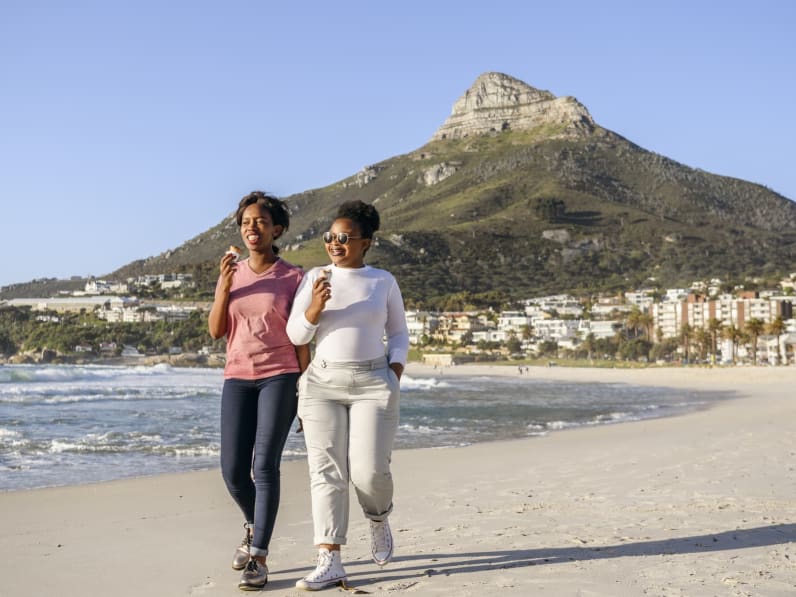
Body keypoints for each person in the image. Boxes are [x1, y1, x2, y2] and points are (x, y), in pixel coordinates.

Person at [286, 200, 409, 591]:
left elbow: (400, 333)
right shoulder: (315, 278)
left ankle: (378, 518)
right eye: (330, 237)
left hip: (374, 381)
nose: (334, 244)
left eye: (344, 238)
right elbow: (296, 336)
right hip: (321, 383)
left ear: (366, 242)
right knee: (326, 474)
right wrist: (316, 306)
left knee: (369, 472)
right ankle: (330, 559)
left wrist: (394, 371)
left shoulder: (383, 281)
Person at [208, 191, 309, 591]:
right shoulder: (231, 272)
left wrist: (305, 388)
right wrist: (224, 284)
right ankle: (253, 526)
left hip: (280, 376)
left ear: (277, 229)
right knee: (232, 469)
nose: (253, 227)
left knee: (263, 466)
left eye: (262, 222)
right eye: (247, 222)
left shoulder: (293, 277)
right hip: (237, 377)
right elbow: (217, 330)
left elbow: (302, 338)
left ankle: (259, 557)